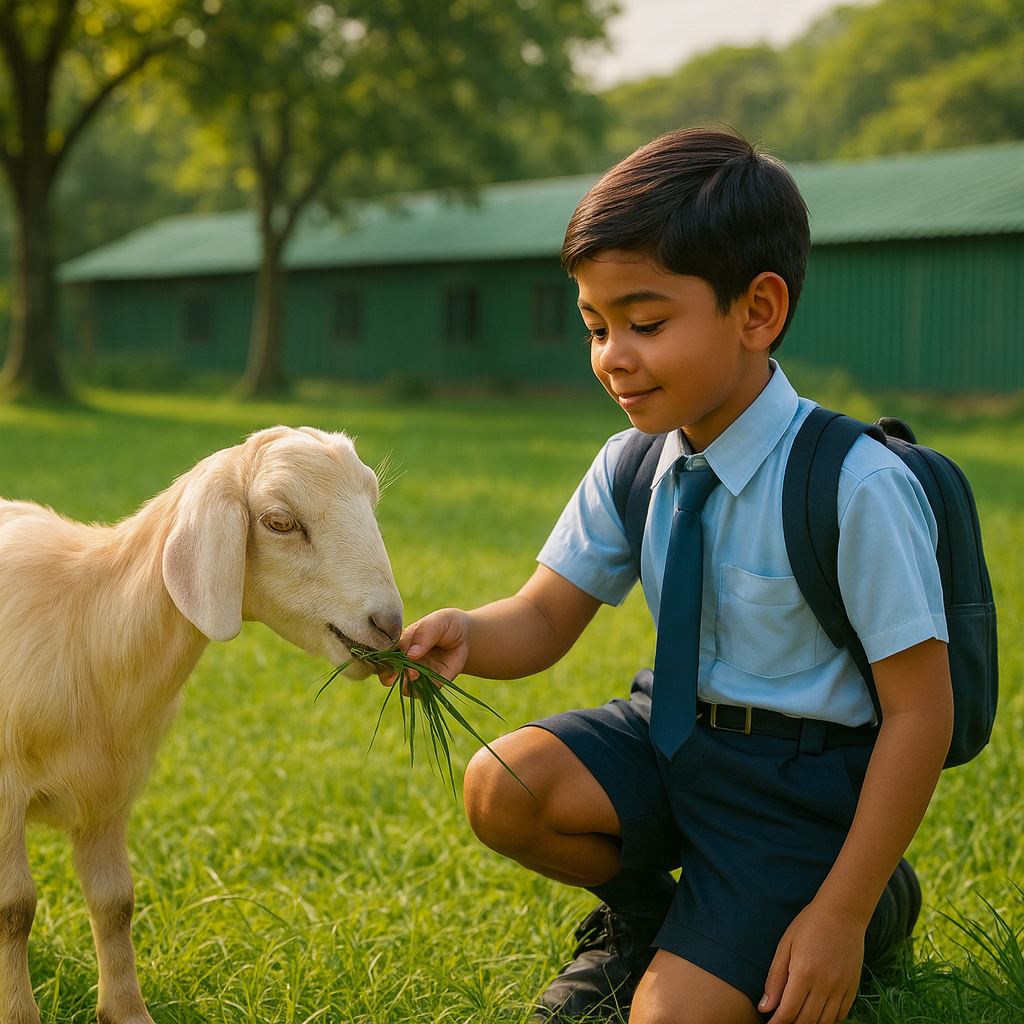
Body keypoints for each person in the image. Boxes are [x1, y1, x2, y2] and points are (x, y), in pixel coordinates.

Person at [383, 128, 953, 1024]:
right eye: (596, 327)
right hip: (672, 742)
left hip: (794, 791)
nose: (613, 354)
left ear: (758, 311)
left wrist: (835, 916)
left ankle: (869, 902)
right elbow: (541, 617)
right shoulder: (634, 464)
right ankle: (652, 915)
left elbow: (922, 711)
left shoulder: (855, 484)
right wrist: (464, 632)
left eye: (645, 324)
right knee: (505, 785)